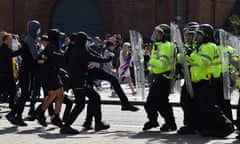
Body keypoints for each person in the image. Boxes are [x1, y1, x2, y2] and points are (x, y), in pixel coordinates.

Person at [60, 32, 113, 134]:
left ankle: (98, 123)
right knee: (80, 104)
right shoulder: (81, 50)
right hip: (78, 81)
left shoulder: (73, 49)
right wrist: (109, 58)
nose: (87, 42)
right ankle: (66, 126)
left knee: (95, 97)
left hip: (77, 80)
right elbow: (96, 58)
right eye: (86, 40)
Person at [187, 24, 234, 137]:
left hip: (208, 81)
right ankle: (212, 128)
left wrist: (192, 55)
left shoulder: (208, 47)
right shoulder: (202, 47)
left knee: (208, 107)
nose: (197, 36)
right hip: (203, 81)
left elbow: (204, 63)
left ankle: (226, 126)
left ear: (206, 35)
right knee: (204, 107)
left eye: (199, 34)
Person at [6, 20, 42, 126]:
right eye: (37, 28)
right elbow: (35, 56)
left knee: (25, 94)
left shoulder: (29, 40)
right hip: (26, 71)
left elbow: (22, 52)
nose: (39, 30)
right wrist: (41, 53)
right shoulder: (30, 40)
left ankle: (17, 116)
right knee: (25, 94)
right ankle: (13, 114)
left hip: (26, 71)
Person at [143, 24, 177, 132]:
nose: (156, 35)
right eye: (156, 33)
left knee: (150, 101)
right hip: (160, 77)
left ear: (165, 35)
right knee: (163, 103)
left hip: (165, 77)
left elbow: (162, 64)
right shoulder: (158, 46)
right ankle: (170, 123)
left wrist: (149, 60)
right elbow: (157, 66)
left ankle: (153, 120)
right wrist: (150, 70)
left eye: (159, 33)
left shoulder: (166, 46)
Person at [35, 29, 65, 127]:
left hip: (50, 73)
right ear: (55, 37)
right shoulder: (52, 47)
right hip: (50, 74)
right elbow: (55, 56)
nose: (60, 38)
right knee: (60, 95)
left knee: (52, 95)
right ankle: (56, 117)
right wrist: (63, 55)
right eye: (59, 36)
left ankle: (40, 113)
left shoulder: (53, 46)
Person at [177, 22, 201, 134]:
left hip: (199, 79)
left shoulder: (199, 46)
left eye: (191, 34)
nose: (188, 36)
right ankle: (190, 124)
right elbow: (181, 58)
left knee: (196, 103)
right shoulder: (186, 46)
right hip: (189, 78)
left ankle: (196, 125)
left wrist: (188, 57)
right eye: (187, 34)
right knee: (185, 101)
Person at [0, 33, 20, 110]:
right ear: (5, 40)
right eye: (10, 39)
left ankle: (12, 105)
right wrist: (21, 50)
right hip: (6, 73)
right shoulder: (5, 49)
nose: (11, 41)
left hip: (3, 73)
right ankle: (12, 105)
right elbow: (12, 54)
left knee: (8, 90)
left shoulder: (3, 48)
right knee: (13, 89)